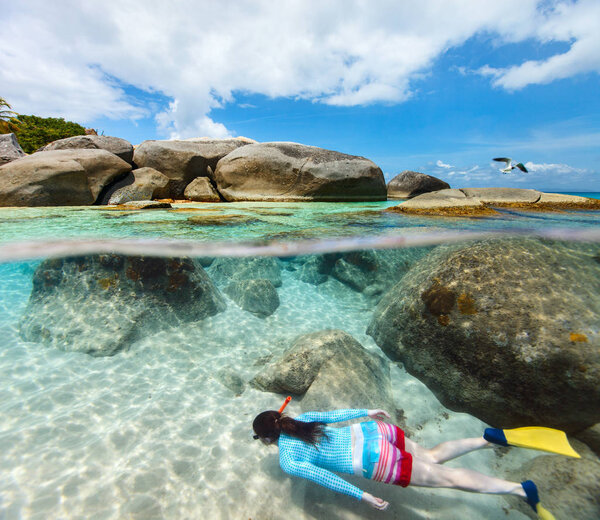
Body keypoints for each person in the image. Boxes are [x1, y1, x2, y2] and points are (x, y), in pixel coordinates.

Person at [252, 405, 559, 519]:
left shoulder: (288, 460)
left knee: (448, 478)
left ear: (267, 439)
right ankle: (488, 438)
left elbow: (326, 479)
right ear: (280, 419)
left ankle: (521, 489)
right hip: (377, 431)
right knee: (432, 455)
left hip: (377, 460)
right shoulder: (301, 419)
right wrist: (367, 411)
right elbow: (334, 415)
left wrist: (364, 496)